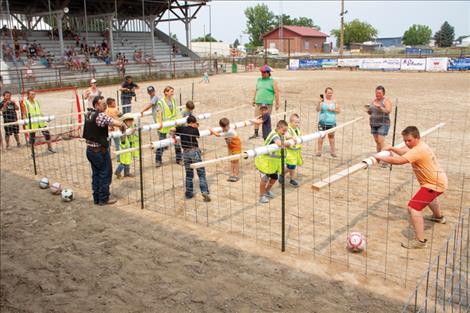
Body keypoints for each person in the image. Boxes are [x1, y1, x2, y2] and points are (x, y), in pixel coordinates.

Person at [374, 126, 448, 249]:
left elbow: (399, 161)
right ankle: (439, 218)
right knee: (429, 198)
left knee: (413, 208)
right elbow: (406, 152)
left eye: (409, 140)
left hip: (434, 184)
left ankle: (420, 241)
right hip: (438, 181)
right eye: (405, 141)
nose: (407, 143)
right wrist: (392, 148)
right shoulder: (420, 146)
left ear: (417, 138)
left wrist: (380, 157)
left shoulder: (418, 150)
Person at [82, 96, 125, 205]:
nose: (105, 105)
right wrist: (122, 126)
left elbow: (96, 126)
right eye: (102, 104)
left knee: (96, 174)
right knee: (105, 174)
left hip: (90, 150)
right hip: (99, 151)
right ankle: (103, 198)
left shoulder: (89, 113)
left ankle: (96, 197)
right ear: (96, 105)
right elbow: (117, 123)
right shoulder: (101, 115)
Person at [172, 115, 210, 202]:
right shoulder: (194, 129)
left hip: (185, 153)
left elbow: (173, 129)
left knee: (189, 175)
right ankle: (204, 191)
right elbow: (198, 136)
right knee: (201, 173)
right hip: (194, 151)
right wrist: (196, 127)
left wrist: (173, 136)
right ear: (193, 123)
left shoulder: (182, 128)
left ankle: (189, 193)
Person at [255, 120, 291, 204]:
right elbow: (279, 143)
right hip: (264, 161)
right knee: (264, 179)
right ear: (278, 128)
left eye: (286, 130)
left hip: (272, 163)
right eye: (284, 130)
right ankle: (261, 196)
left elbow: (287, 136)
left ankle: (267, 190)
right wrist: (288, 143)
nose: (285, 132)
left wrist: (292, 138)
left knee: (274, 178)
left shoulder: (281, 133)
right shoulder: (274, 135)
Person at [250, 65, 280, 139]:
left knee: (265, 119)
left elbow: (276, 92)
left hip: (268, 103)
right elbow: (256, 90)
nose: (262, 74)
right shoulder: (259, 80)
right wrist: (254, 99)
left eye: (263, 72)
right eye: (261, 72)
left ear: (268, 73)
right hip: (258, 102)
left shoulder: (273, 81)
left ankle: (266, 135)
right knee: (257, 117)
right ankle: (256, 133)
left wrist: (277, 103)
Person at [155, 86, 182, 167]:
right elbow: (159, 113)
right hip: (164, 125)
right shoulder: (161, 102)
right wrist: (160, 123)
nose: (172, 93)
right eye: (171, 91)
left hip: (172, 124)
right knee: (161, 143)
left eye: (173, 91)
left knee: (176, 142)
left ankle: (179, 159)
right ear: (166, 92)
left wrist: (179, 121)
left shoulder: (173, 100)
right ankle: (158, 160)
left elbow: (176, 111)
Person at [366, 85, 393, 154]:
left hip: (383, 124)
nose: (377, 94)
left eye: (379, 93)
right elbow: (370, 112)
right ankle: (379, 157)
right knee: (377, 141)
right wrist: (368, 110)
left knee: (381, 141)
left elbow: (388, 111)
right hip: (373, 124)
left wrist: (380, 107)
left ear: (383, 93)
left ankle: (388, 156)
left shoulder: (386, 101)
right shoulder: (373, 101)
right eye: (377, 93)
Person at [316, 87, 341, 157]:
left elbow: (339, 111)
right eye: (328, 93)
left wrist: (332, 110)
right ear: (325, 93)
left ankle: (333, 152)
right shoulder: (322, 101)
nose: (330, 94)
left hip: (331, 123)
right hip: (322, 123)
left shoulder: (334, 101)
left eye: (331, 93)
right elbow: (317, 110)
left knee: (331, 137)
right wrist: (319, 102)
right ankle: (319, 151)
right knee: (321, 137)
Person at [218, 117, 241, 182]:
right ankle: (232, 174)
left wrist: (211, 130)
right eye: (225, 127)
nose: (226, 128)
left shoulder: (230, 131)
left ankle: (236, 175)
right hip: (230, 147)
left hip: (236, 147)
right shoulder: (224, 130)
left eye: (227, 126)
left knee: (236, 162)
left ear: (228, 125)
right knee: (231, 161)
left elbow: (217, 135)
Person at [115, 113, 137, 179]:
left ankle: (127, 173)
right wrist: (129, 133)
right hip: (123, 147)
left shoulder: (130, 127)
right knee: (123, 161)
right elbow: (122, 138)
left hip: (128, 146)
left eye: (131, 121)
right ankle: (117, 172)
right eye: (129, 121)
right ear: (125, 121)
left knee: (128, 160)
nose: (131, 122)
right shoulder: (122, 127)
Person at [285, 113, 303, 187]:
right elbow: (286, 135)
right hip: (289, 152)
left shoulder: (297, 129)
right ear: (291, 122)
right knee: (291, 166)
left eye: (298, 122)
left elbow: (299, 136)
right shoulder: (287, 128)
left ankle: (290, 178)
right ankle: (289, 178)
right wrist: (291, 137)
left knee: (292, 167)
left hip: (296, 151)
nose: (297, 124)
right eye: (295, 122)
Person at [105, 97, 121, 162]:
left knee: (108, 144)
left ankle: (108, 157)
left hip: (108, 129)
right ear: (110, 104)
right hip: (116, 129)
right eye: (114, 103)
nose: (115, 104)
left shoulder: (106, 110)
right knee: (117, 144)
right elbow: (120, 115)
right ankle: (118, 157)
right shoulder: (115, 109)